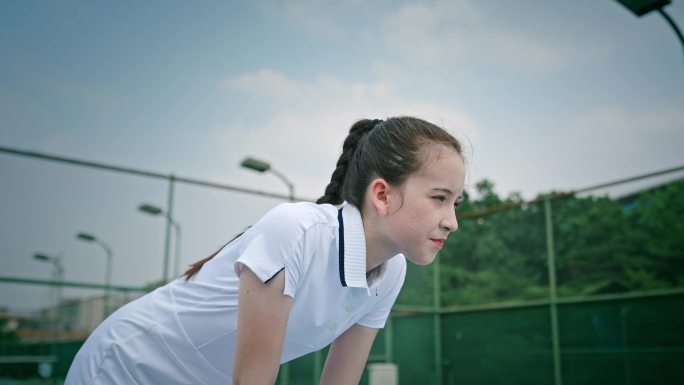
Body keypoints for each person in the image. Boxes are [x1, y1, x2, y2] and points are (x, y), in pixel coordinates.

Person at [64, 116, 466, 385]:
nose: (452, 220)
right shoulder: (296, 232)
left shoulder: (391, 272)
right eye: (439, 197)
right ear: (381, 194)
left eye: (455, 203)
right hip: (126, 368)